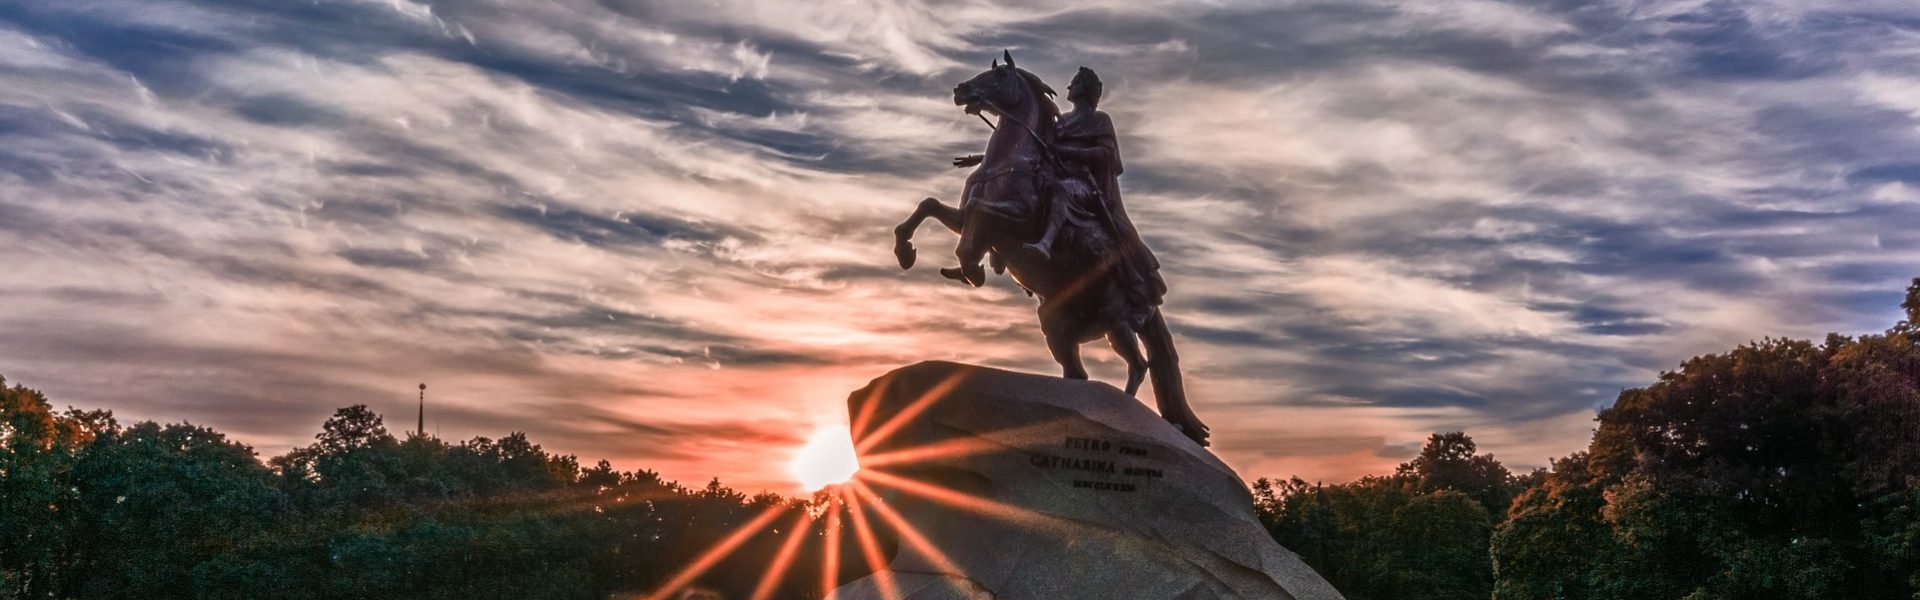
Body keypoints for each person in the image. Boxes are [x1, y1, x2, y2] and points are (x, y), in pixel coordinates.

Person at [1029, 67, 1166, 307]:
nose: (1069, 88)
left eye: (1073, 84)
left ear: (1083, 89)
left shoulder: (1099, 120)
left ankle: (1046, 243)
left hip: (1085, 188)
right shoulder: (1062, 120)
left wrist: (1069, 151)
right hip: (1056, 177)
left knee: (1062, 191)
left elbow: (1107, 155)